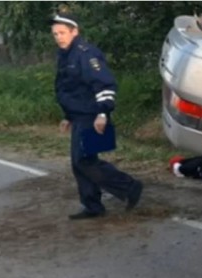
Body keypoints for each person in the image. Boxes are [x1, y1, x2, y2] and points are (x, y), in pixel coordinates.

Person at [51, 12, 143, 220]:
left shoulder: (86, 54)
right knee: (82, 161)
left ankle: (129, 187)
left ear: (75, 31)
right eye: (55, 34)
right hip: (79, 115)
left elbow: (105, 85)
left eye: (63, 33)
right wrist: (68, 116)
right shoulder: (65, 55)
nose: (59, 37)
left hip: (93, 115)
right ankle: (92, 206)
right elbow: (68, 88)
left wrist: (103, 113)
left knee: (84, 161)